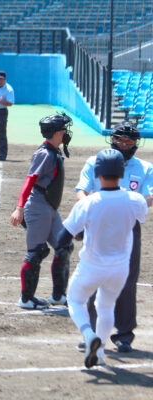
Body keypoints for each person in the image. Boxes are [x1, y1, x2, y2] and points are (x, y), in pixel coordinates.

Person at [61, 149, 148, 368]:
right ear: (121, 173)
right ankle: (99, 354)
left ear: (98, 173)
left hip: (92, 265)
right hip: (119, 268)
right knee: (106, 307)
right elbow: (139, 214)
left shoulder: (88, 203)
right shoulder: (135, 200)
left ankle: (89, 335)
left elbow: (64, 237)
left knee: (75, 300)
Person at [75, 121, 153, 352]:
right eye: (121, 140)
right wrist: (90, 209)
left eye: (130, 142)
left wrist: (127, 204)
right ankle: (90, 333)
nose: (125, 145)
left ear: (137, 143)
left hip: (128, 227)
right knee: (92, 276)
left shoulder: (145, 168)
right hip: (98, 225)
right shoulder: (95, 161)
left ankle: (124, 335)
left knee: (127, 280)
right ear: (112, 139)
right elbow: (81, 190)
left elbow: (150, 197)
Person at [10, 113, 73, 310]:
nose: (66, 132)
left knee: (64, 247)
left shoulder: (54, 151)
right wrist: (19, 208)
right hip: (38, 207)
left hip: (50, 208)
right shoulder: (44, 154)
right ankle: (26, 299)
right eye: (63, 129)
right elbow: (30, 180)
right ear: (56, 132)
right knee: (36, 251)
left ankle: (58, 296)